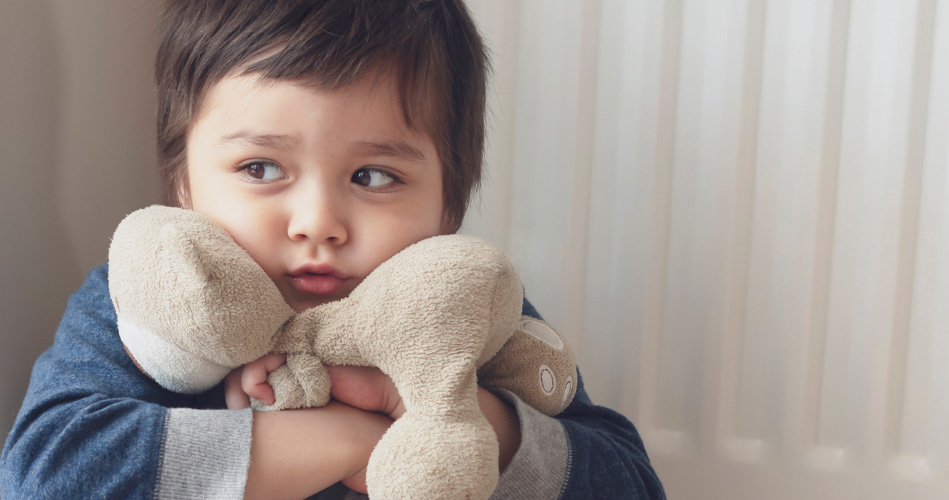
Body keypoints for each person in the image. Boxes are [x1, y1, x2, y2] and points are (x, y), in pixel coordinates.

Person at [0, 1, 666, 498]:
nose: (316, 223)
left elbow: (629, 481)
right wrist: (358, 440)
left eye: (372, 176)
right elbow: (44, 475)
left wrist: (450, 418)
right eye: (260, 168)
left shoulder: (459, 310)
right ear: (182, 181)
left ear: (447, 204)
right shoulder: (146, 301)